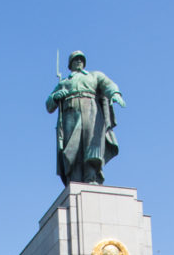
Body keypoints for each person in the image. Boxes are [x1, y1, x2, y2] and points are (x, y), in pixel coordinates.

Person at [46, 51, 125, 185]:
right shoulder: (64, 82)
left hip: (91, 111)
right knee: (72, 148)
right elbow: (49, 105)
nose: (79, 61)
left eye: (81, 59)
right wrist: (55, 97)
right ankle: (75, 179)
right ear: (70, 64)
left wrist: (115, 93)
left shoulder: (94, 75)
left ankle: (91, 177)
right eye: (75, 59)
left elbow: (108, 84)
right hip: (70, 113)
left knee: (92, 144)